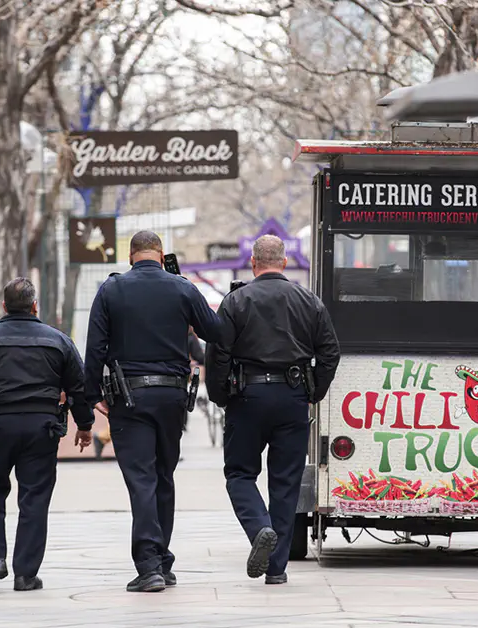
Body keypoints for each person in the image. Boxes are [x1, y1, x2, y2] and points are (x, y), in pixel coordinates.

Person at [84, 230, 221, 593]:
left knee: (141, 479)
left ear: (131, 256)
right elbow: (215, 331)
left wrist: (92, 396)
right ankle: (162, 560)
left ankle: (149, 566)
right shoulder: (182, 288)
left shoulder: (110, 290)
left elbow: (94, 348)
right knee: (164, 475)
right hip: (173, 399)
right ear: (161, 255)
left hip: (129, 399)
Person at [206, 235, 341, 585]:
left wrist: (221, 395)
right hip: (293, 397)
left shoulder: (235, 301)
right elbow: (330, 353)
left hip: (247, 396)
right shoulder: (309, 301)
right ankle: (277, 568)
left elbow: (218, 352)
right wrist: (314, 392)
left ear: (253, 263)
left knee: (239, 474)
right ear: (283, 263)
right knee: (285, 484)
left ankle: (259, 529)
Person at [0, 277, 94, 592]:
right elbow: (79, 387)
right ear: (34, 306)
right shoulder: (58, 340)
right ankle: (26, 574)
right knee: (34, 498)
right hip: (42, 428)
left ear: (4, 306)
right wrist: (84, 425)